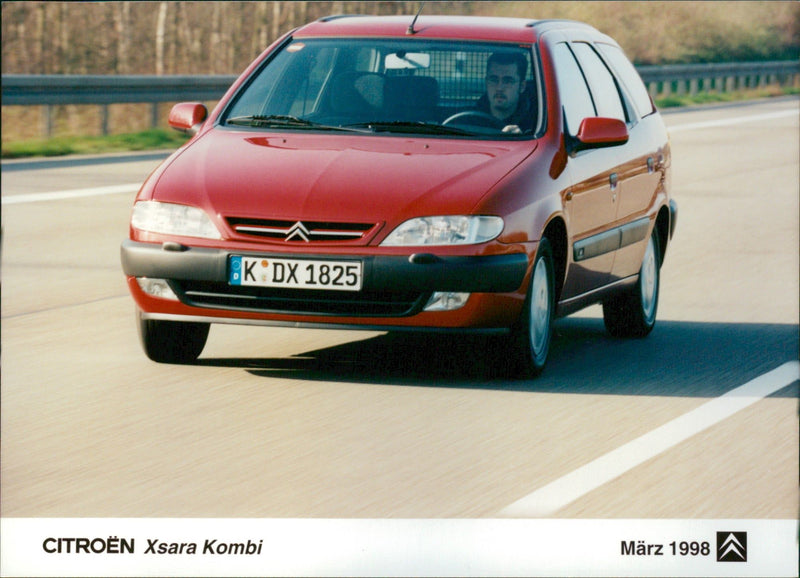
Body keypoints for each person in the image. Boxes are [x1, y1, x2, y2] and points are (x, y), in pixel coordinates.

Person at [475, 52, 532, 132]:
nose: (499, 88)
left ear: (522, 86)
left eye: (508, 81)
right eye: (494, 80)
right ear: (486, 83)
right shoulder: (469, 120)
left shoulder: (535, 127)